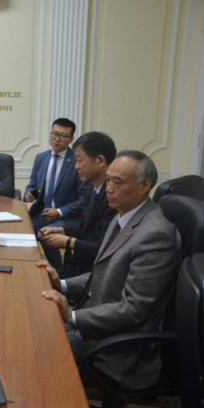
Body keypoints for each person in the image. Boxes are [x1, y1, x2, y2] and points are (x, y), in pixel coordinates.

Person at [40, 150, 178, 390]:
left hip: (119, 348)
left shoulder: (156, 235)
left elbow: (134, 310)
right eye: (108, 180)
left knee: (39, 347)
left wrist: (72, 316)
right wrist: (60, 284)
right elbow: (102, 274)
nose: (108, 189)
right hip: (96, 320)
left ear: (145, 185)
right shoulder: (122, 216)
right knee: (36, 322)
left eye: (118, 182)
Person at [38, 132, 117, 279]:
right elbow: (83, 227)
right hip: (76, 264)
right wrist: (61, 230)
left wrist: (68, 242)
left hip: (93, 273)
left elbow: (104, 247)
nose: (76, 167)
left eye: (80, 160)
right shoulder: (90, 189)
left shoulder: (113, 197)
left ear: (100, 160)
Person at [24, 118, 86, 268]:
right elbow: (32, 185)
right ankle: (27, 266)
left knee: (46, 234)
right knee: (22, 230)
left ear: (71, 139)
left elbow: (83, 199)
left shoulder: (77, 161)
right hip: (40, 213)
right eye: (55, 134)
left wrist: (59, 212)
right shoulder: (41, 158)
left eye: (63, 136)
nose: (57, 139)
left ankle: (57, 271)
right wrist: (28, 194)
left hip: (66, 216)